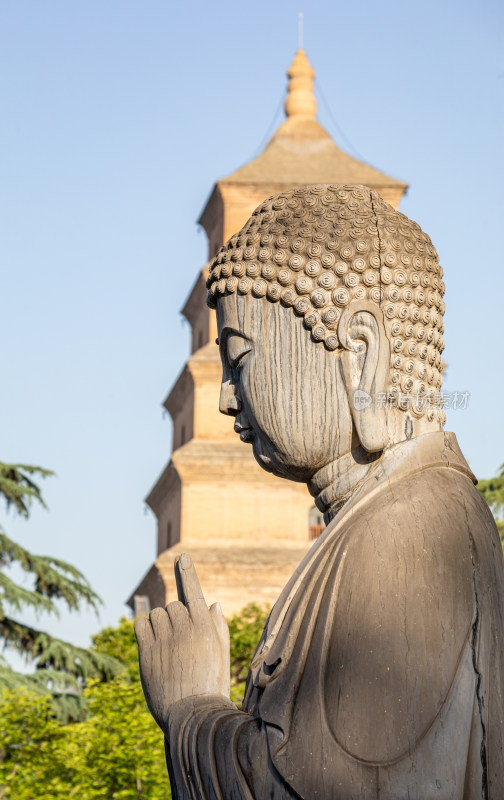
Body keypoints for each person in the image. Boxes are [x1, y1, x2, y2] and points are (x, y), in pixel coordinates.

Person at [135, 184, 504, 799]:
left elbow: (313, 788)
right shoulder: (385, 519)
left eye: (241, 357)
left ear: (358, 351)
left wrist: (190, 705)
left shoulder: (413, 529)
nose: (227, 395)